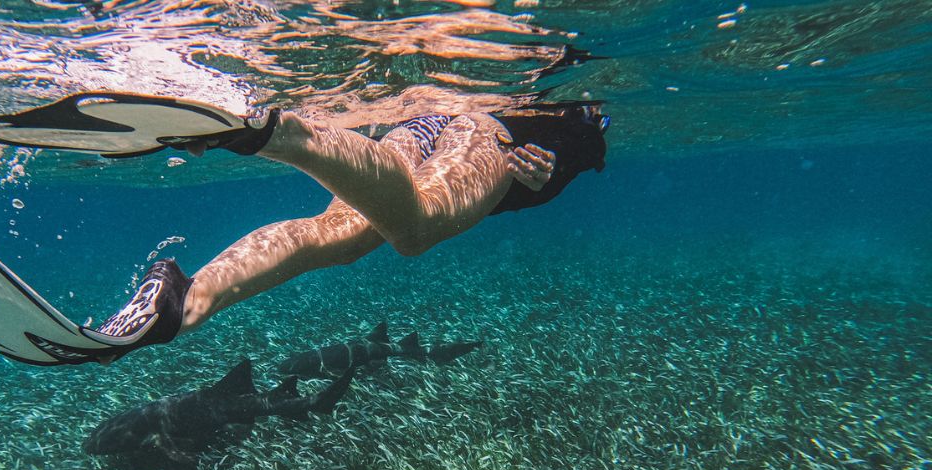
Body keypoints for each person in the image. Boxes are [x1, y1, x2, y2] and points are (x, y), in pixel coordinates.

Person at [70, 105, 607, 359]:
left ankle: (178, 304)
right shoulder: (584, 127)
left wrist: (551, 161)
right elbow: (568, 141)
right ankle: (270, 133)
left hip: (416, 125)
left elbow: (563, 145)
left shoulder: (576, 124)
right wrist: (546, 163)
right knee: (417, 229)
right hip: (481, 129)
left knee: (339, 235)